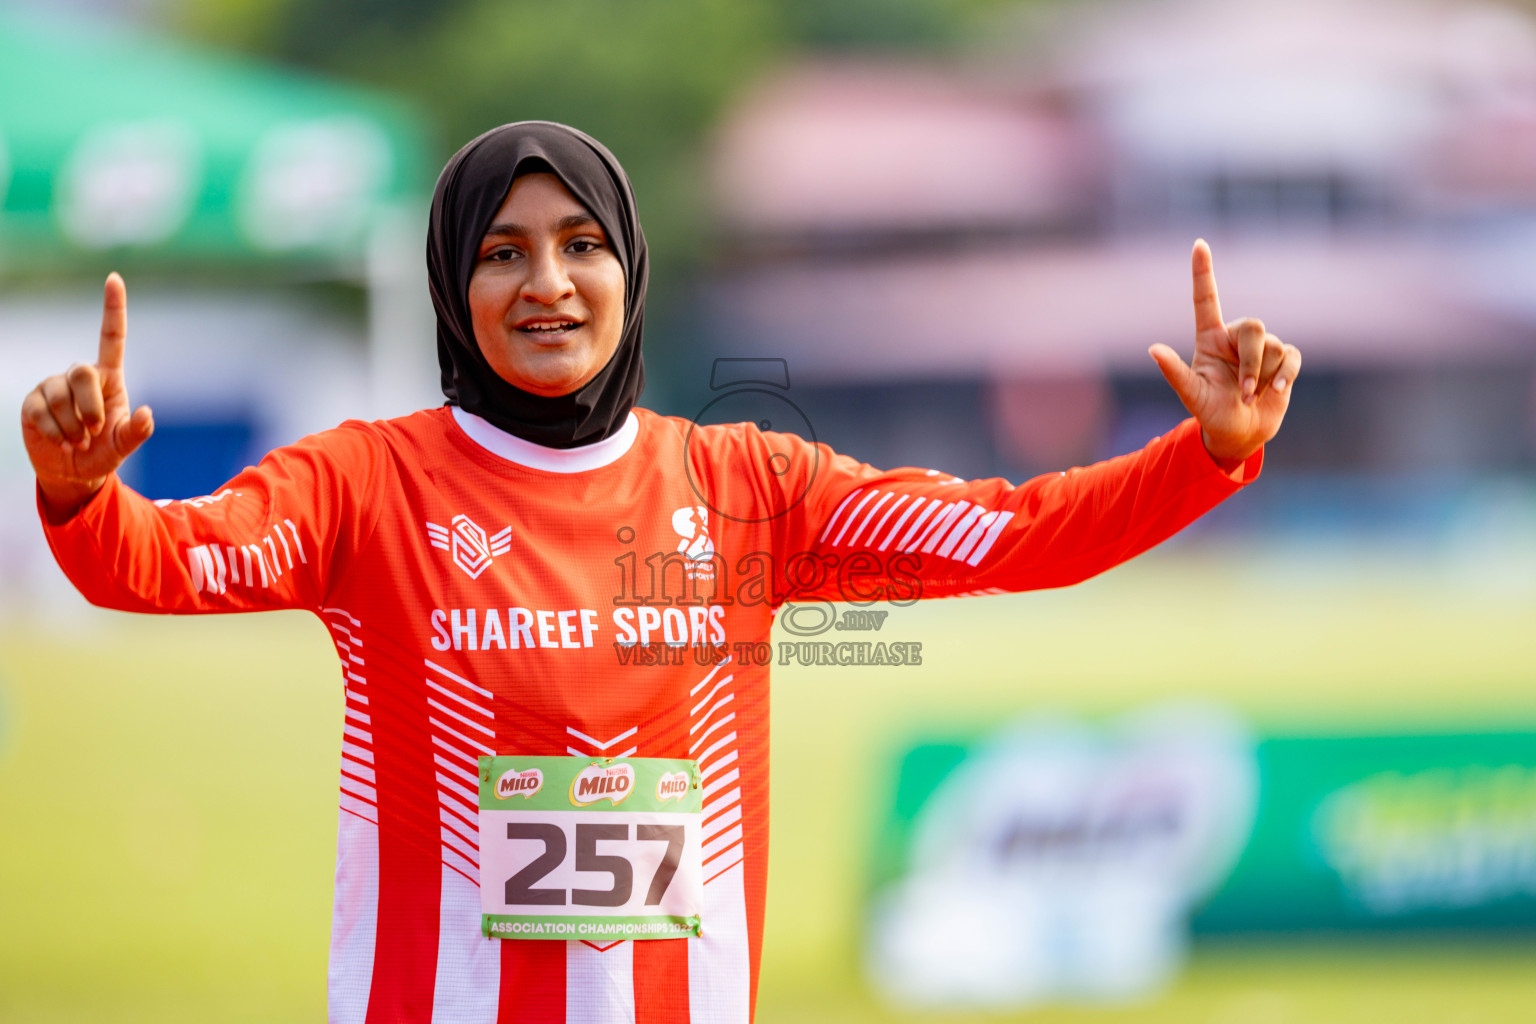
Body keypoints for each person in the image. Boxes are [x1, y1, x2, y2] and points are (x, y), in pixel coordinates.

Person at [21, 121, 1300, 1023]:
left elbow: (1014, 534)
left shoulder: (749, 485)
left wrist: (1208, 453)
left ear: (631, 266)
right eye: (502, 250)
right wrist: (83, 492)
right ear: (449, 280)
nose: (549, 282)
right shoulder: (367, 484)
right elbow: (164, 564)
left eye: (583, 243)